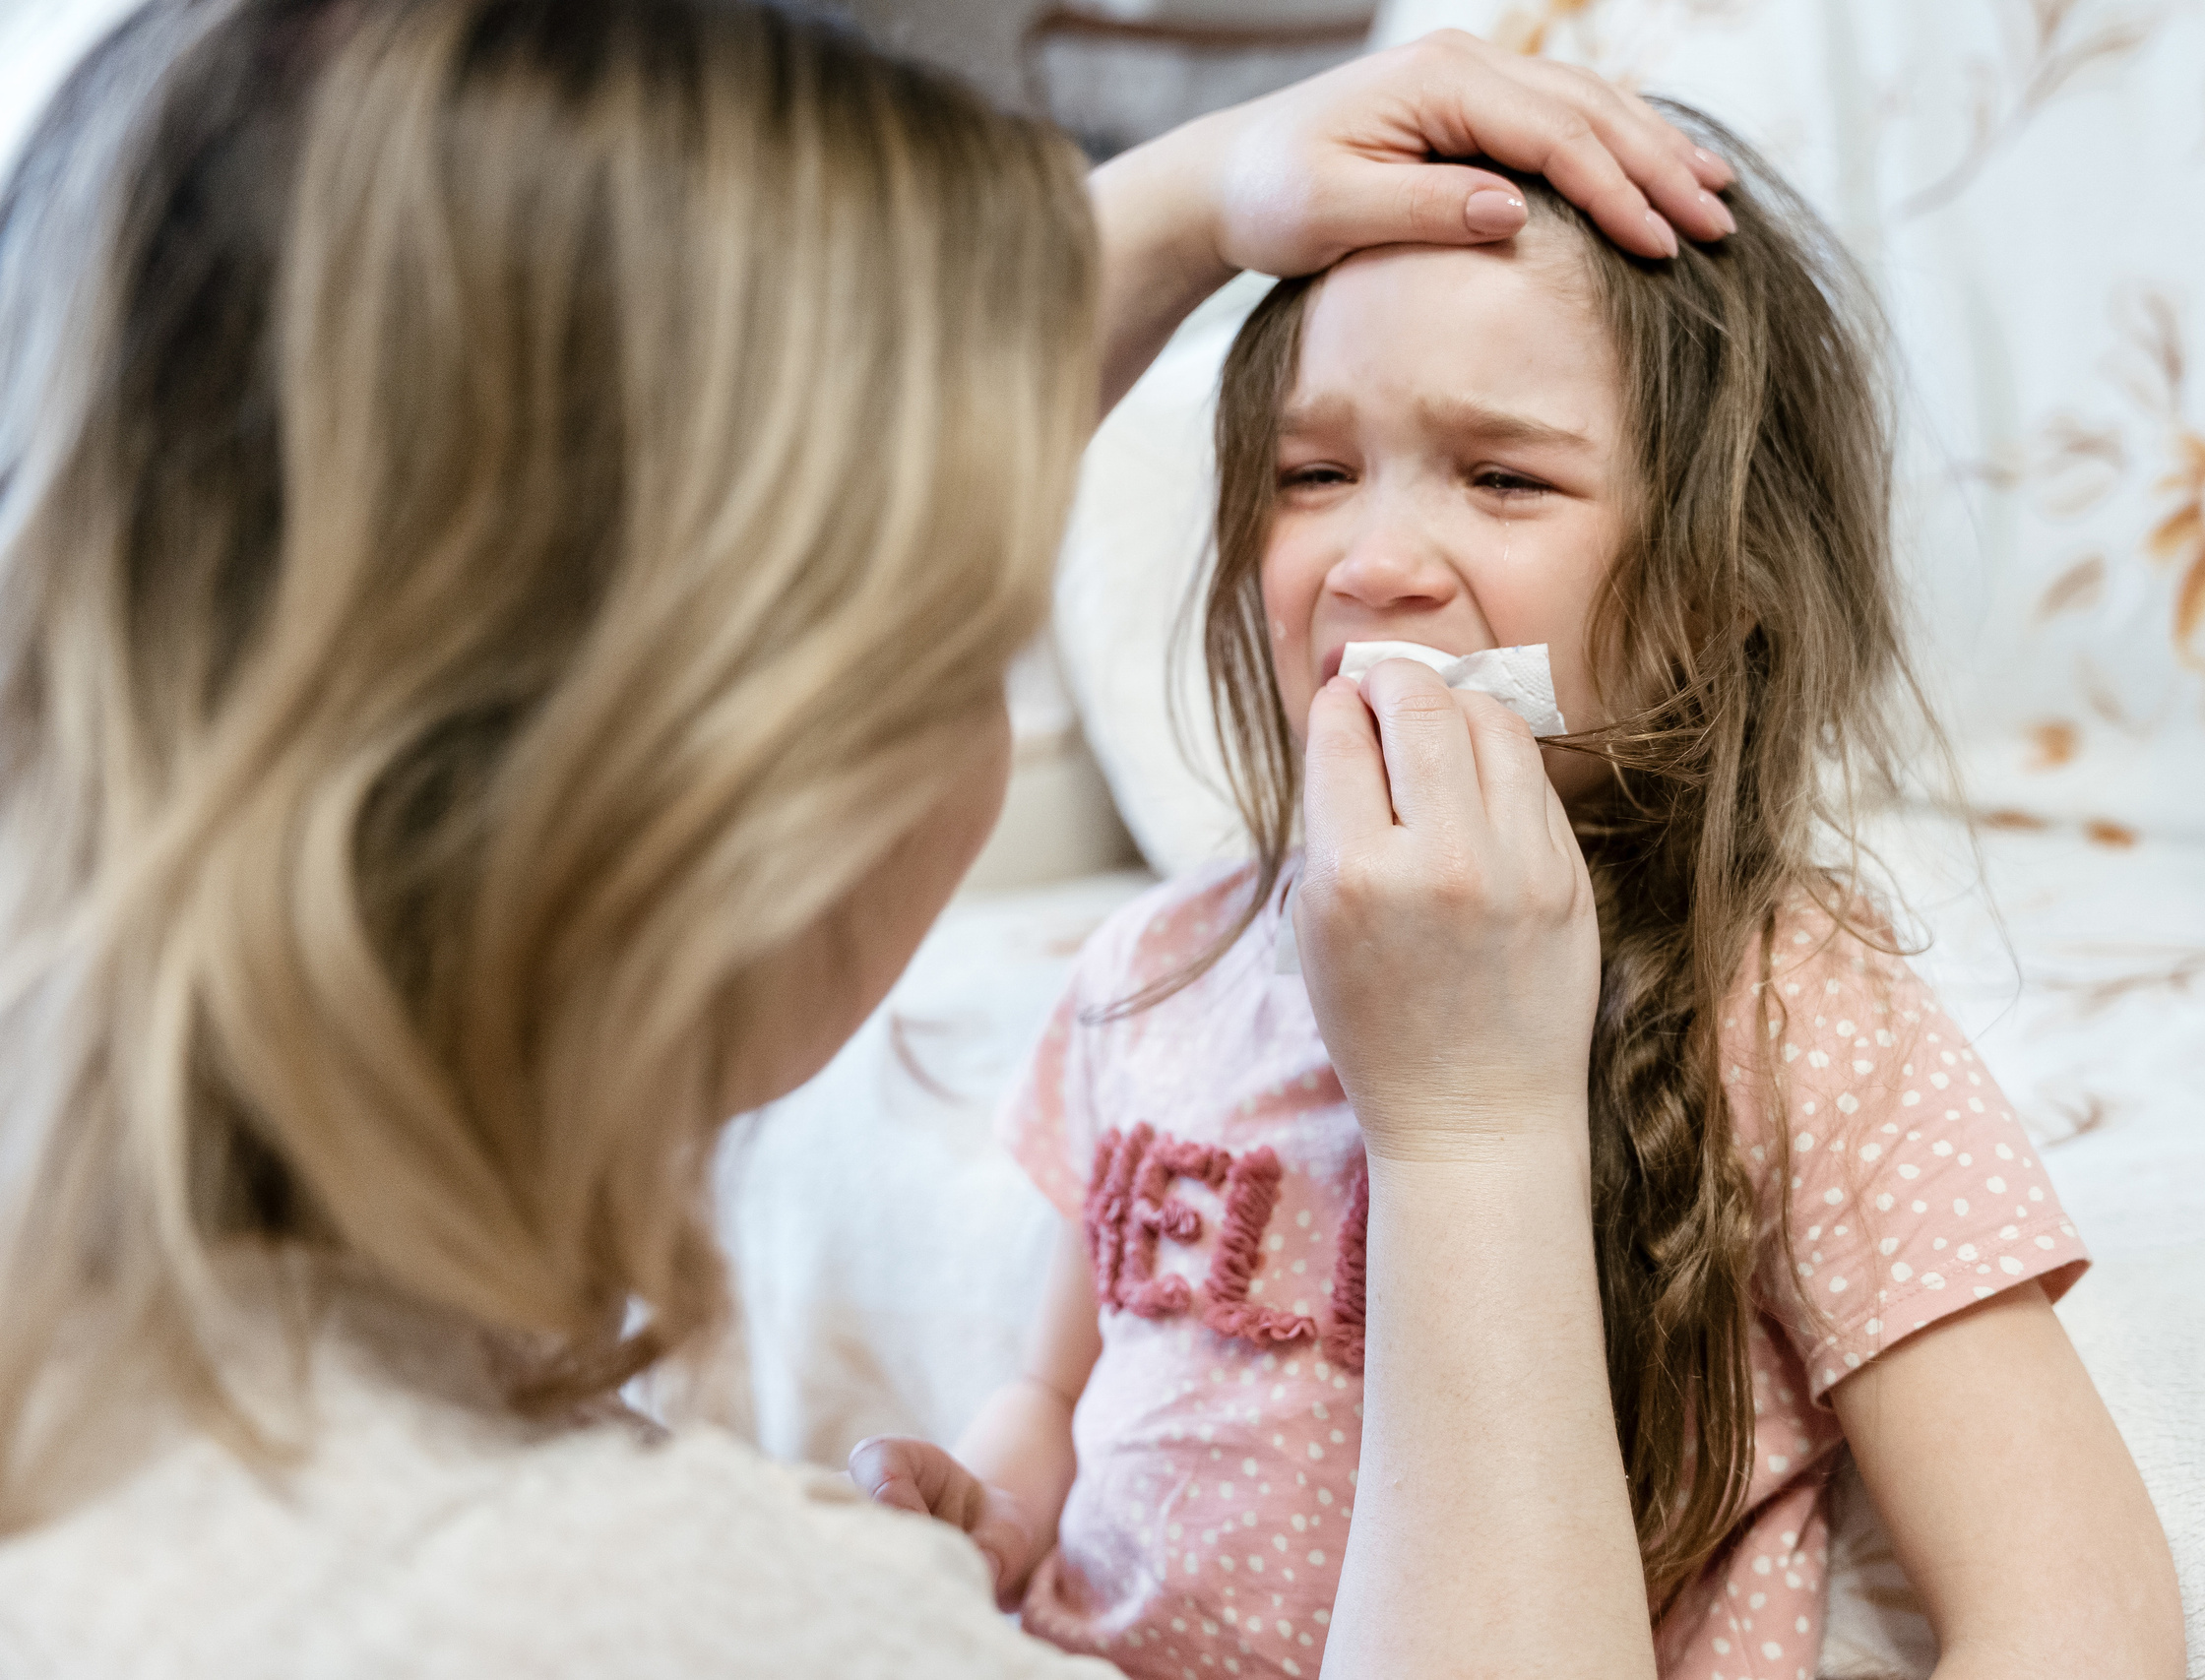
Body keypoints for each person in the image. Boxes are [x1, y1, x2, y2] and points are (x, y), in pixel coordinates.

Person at [0, 2, 1738, 1675]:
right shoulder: (681, 1616)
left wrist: (1204, 192)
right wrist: (1475, 1140)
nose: (1375, 565)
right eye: (965, 621)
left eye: (1504, 479)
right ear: (743, 791)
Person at [850, 121, 2188, 1679]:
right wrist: (1000, 1505)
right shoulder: (1160, 959)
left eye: (1501, 478)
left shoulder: (1786, 1004)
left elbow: (2078, 1609)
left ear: (1712, 594)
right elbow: (1055, 1386)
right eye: (1314, 474)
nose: (1377, 558)